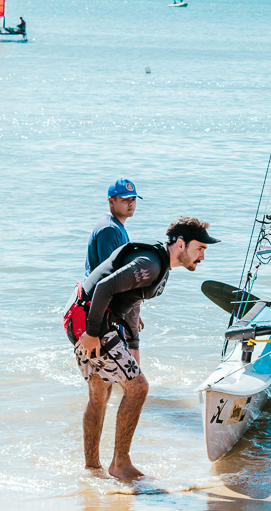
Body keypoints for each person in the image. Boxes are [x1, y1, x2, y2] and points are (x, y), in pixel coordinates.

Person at [62, 216, 219, 479]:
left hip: (80, 316)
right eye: (200, 248)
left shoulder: (157, 263)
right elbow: (104, 287)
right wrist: (92, 333)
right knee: (138, 388)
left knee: (100, 392)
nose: (202, 256)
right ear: (181, 244)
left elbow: (133, 301)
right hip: (90, 322)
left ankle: (92, 468)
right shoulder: (151, 264)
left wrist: (133, 345)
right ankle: (120, 464)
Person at [85, 179, 141, 277]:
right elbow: (108, 273)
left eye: (133, 199)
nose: (131, 203)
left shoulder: (116, 225)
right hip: (100, 287)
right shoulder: (109, 229)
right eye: (125, 199)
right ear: (111, 201)